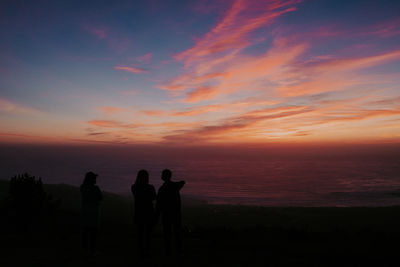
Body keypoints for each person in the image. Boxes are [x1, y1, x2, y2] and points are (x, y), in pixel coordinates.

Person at [156, 169, 185, 255]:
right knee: (177, 232)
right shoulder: (175, 186)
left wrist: (157, 214)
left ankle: (168, 250)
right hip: (176, 213)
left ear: (163, 177)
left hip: (166, 214)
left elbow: (159, 204)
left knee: (167, 233)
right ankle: (178, 250)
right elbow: (182, 182)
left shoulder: (162, 189)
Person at [131, 169, 156, 258]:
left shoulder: (134, 187)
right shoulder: (150, 187)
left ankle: (140, 251)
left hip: (139, 211)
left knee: (140, 233)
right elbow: (154, 198)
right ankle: (148, 250)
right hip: (148, 211)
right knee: (148, 234)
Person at [80, 171, 103, 256]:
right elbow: (100, 198)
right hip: (94, 213)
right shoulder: (96, 188)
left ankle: (84, 250)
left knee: (85, 232)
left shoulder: (82, 187)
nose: (95, 180)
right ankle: (92, 251)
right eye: (94, 178)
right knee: (93, 233)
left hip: (85, 211)